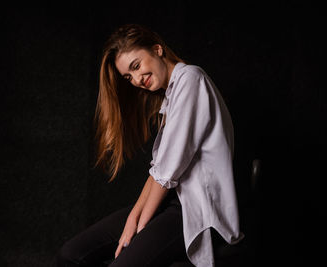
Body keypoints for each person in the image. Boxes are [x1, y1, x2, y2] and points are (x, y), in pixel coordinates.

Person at [57, 23, 244, 267]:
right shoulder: (172, 94)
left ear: (157, 49)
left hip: (194, 210)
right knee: (70, 255)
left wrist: (138, 228)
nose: (136, 80)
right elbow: (157, 171)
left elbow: (167, 171)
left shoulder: (191, 79)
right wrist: (133, 219)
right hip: (170, 203)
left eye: (136, 66)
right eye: (128, 76)